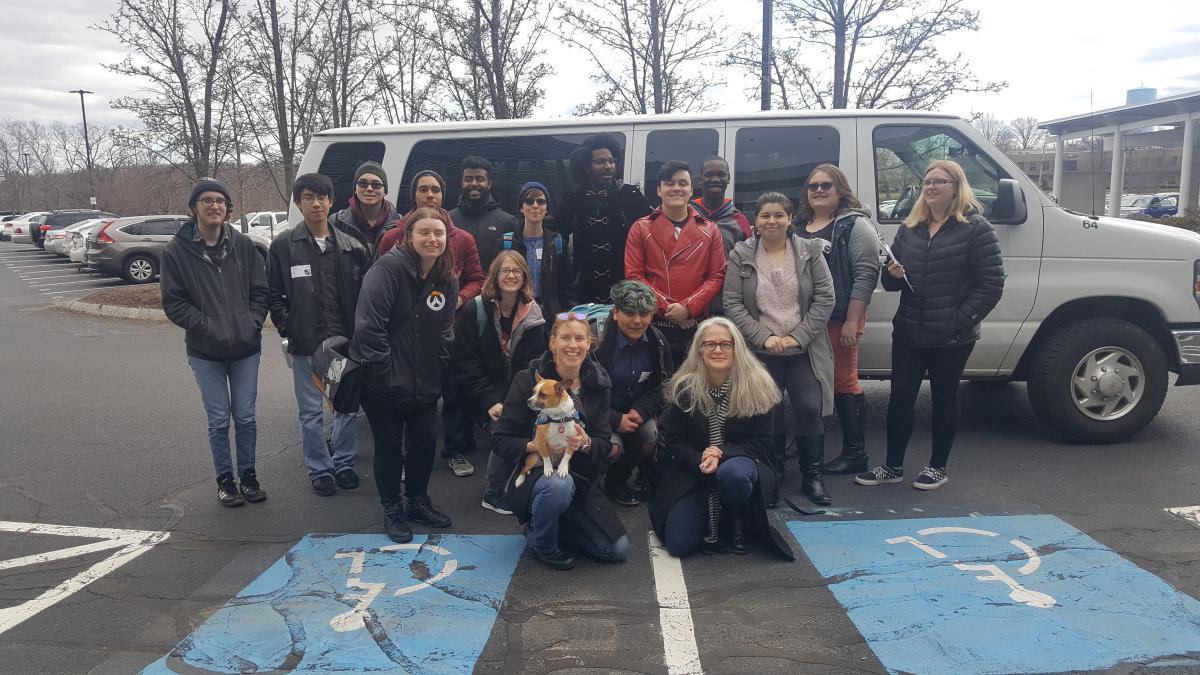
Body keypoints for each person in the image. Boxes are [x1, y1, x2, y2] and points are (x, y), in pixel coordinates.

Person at [856, 160, 1004, 491]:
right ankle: (892, 466)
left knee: (944, 400)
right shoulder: (910, 228)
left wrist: (958, 321)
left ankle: (938, 466)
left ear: (957, 186)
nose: (931, 187)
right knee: (900, 399)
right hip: (909, 331)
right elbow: (893, 283)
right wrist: (890, 275)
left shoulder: (977, 229)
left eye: (940, 181)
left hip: (952, 337)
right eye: (927, 181)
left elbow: (991, 285)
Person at [351, 207, 459, 543]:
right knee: (388, 447)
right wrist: (386, 371)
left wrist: (438, 367)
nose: (432, 239)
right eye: (424, 232)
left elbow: (445, 330)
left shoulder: (447, 278)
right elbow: (369, 328)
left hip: (425, 384)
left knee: (425, 444)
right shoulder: (388, 270)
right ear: (408, 236)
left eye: (438, 233)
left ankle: (417, 501)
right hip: (383, 384)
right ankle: (392, 510)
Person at [161, 177, 270, 507]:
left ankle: (249, 477)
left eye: (220, 201)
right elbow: (173, 302)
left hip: (245, 348)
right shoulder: (176, 251)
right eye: (206, 200)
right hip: (205, 350)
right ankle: (226, 481)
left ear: (228, 208)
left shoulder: (244, 246)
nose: (214, 206)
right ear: (193, 208)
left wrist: (253, 322)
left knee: (246, 417)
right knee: (219, 419)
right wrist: (204, 326)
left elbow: (261, 291)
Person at [491, 313, 628, 570]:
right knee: (557, 487)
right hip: (537, 476)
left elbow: (604, 444)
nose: (572, 345)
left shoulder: (599, 385)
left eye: (579, 338)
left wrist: (586, 442)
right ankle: (541, 542)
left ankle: (555, 522)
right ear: (552, 342)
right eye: (565, 337)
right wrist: (534, 445)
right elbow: (501, 441)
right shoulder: (527, 379)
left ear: (589, 344)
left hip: (583, 481)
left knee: (616, 550)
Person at [724, 192, 836, 506]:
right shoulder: (741, 254)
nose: (772, 221)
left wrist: (798, 336)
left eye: (779, 215)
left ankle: (812, 476)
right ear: (755, 222)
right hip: (762, 351)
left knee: (809, 408)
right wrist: (762, 337)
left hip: (804, 350)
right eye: (765, 216)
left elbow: (826, 299)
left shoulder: (810, 252)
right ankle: (773, 473)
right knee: (768, 413)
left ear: (790, 220)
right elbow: (732, 302)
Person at [649, 317, 793, 559]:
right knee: (678, 544)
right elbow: (674, 442)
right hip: (694, 469)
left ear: (737, 348)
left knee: (732, 474)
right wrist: (700, 460)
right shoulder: (684, 388)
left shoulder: (758, 385)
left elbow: (760, 443)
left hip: (744, 464)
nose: (718, 350)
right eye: (710, 344)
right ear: (699, 350)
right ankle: (707, 514)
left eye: (725, 344)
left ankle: (738, 518)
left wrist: (720, 453)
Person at [268, 173, 370, 497]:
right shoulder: (284, 246)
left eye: (322, 197)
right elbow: (272, 293)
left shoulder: (351, 246)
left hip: (344, 344)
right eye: (308, 197)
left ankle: (342, 463)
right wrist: (289, 326)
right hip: (306, 345)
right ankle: (320, 468)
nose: (316, 203)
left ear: (331, 201)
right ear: (299, 203)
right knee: (310, 412)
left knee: (346, 407)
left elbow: (366, 294)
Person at [380, 169, 485, 477]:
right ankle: (402, 456)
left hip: (447, 329)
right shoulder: (393, 237)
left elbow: (477, 278)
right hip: (404, 336)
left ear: (443, 195)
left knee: (452, 393)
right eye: (423, 189)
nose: (430, 195)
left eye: (435, 190)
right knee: (404, 398)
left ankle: (454, 451)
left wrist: (459, 300)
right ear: (414, 195)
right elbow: (384, 283)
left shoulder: (462, 239)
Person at [792, 164, 882, 476]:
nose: (818, 190)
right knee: (808, 380)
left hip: (839, 318)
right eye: (812, 185)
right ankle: (803, 441)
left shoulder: (855, 226)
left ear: (840, 189)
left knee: (844, 381)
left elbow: (866, 275)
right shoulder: (800, 224)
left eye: (826, 185)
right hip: (804, 321)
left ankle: (856, 452)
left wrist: (852, 322)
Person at [450, 251, 548, 514]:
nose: (511, 276)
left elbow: (534, 363)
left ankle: (520, 482)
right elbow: (465, 362)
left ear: (525, 276)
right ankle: (493, 493)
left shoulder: (533, 313)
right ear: (494, 275)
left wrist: (515, 399)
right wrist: (490, 400)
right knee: (504, 425)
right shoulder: (476, 309)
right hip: (479, 391)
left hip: (518, 390)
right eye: (504, 271)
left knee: (523, 420)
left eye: (516, 271)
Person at [625, 160, 727, 359]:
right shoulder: (640, 228)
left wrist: (688, 308)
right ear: (659, 190)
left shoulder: (710, 229)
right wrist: (672, 310)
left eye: (683, 183)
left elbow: (716, 276)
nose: (676, 188)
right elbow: (634, 275)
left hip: (696, 323)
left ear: (691, 190)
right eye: (669, 183)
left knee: (694, 385)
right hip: (653, 322)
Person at [594, 280, 674, 507]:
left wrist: (642, 410)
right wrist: (614, 419)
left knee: (650, 437)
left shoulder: (657, 341)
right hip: (597, 413)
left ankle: (617, 482)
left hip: (636, 410)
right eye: (630, 312)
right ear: (616, 312)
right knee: (611, 447)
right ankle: (588, 486)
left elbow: (666, 385)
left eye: (644, 313)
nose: (638, 321)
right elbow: (579, 391)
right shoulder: (595, 341)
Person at [557, 133, 651, 304]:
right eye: (601, 162)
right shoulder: (572, 200)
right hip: (583, 294)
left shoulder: (631, 196)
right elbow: (558, 244)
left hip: (625, 293)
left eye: (612, 161)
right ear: (585, 167)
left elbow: (651, 242)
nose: (609, 166)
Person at [503, 182, 573, 318]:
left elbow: (566, 289)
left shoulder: (557, 243)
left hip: (549, 318)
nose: (535, 206)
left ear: (546, 208)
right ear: (521, 208)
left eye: (541, 201)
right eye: (529, 201)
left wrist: (566, 317)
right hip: (514, 316)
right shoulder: (506, 243)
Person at [448, 156, 515, 273]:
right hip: (458, 290)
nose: (474, 184)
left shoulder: (507, 222)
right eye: (468, 179)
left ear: (489, 184)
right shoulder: (448, 220)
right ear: (461, 183)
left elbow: (513, 263)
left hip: (495, 289)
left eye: (479, 179)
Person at [329, 161, 400, 261]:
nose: (369, 189)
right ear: (355, 189)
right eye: (363, 183)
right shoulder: (336, 222)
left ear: (385, 191)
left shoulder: (400, 224)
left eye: (376, 184)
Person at [691, 156, 752, 256]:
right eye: (709, 175)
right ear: (700, 179)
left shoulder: (739, 220)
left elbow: (749, 259)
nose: (715, 179)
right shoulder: (686, 214)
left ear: (728, 178)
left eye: (721, 175)